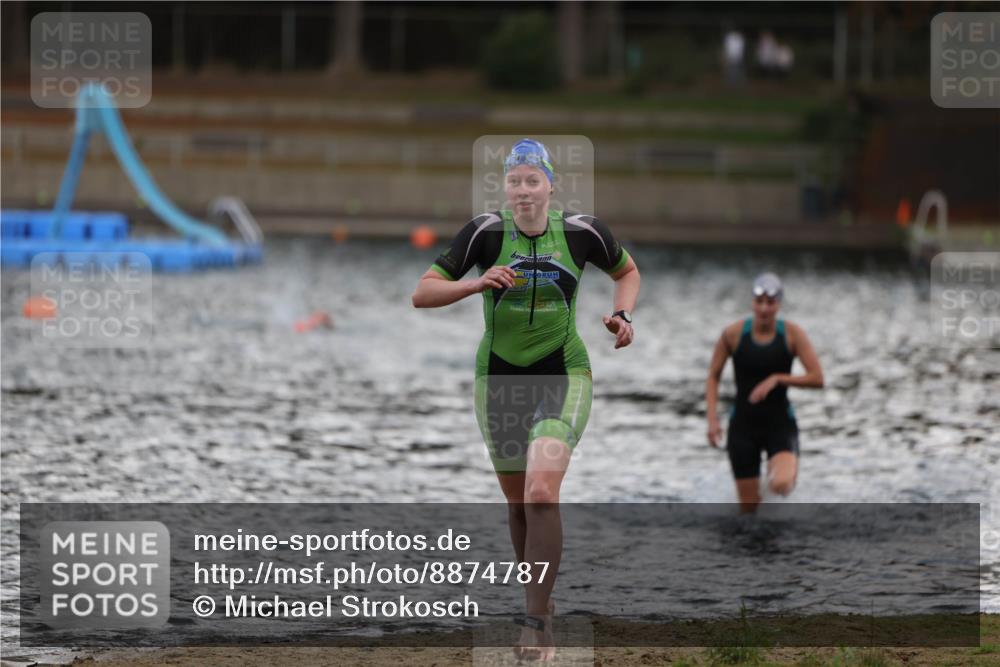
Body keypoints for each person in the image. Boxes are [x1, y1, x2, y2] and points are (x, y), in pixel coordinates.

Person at [412, 139, 640, 660]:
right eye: (514, 181)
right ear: (506, 188)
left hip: (564, 373)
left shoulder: (582, 232)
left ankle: (534, 624)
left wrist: (623, 317)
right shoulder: (484, 234)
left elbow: (627, 272)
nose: (522, 190)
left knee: (541, 492)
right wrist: (474, 286)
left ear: (550, 187)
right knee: (518, 505)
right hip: (496, 381)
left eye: (532, 180)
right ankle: (541, 604)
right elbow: (422, 292)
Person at [705, 273, 823, 513]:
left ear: (778, 304)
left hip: (779, 424)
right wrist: (712, 419)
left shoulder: (792, 334)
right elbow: (713, 375)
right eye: (759, 302)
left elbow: (817, 378)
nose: (764, 308)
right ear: (752, 302)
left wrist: (778, 379)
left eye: (770, 303)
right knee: (749, 512)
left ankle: (778, 473)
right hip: (743, 427)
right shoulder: (733, 334)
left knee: (781, 484)